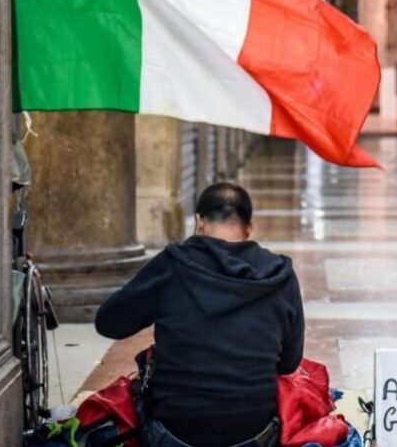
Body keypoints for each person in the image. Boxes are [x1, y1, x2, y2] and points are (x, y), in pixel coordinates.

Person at [95, 182, 305, 447]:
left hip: (174, 432)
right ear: (249, 226)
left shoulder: (172, 265)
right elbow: (289, 363)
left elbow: (109, 323)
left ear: (199, 222)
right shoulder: (280, 276)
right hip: (252, 433)